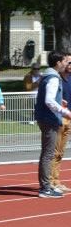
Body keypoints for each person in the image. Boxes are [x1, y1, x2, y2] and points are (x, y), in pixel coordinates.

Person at [35, 51, 71, 198]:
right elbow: (49, 100)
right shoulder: (53, 77)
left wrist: (59, 101)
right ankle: (45, 188)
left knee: (48, 153)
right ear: (58, 63)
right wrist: (65, 111)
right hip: (49, 119)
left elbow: (49, 97)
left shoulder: (47, 75)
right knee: (48, 154)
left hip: (45, 118)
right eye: (65, 61)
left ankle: (47, 186)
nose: (67, 64)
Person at [51, 56, 71, 193]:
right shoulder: (56, 79)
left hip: (69, 118)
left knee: (61, 152)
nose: (70, 65)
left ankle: (56, 180)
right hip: (59, 118)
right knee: (55, 151)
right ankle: (51, 181)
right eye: (68, 62)